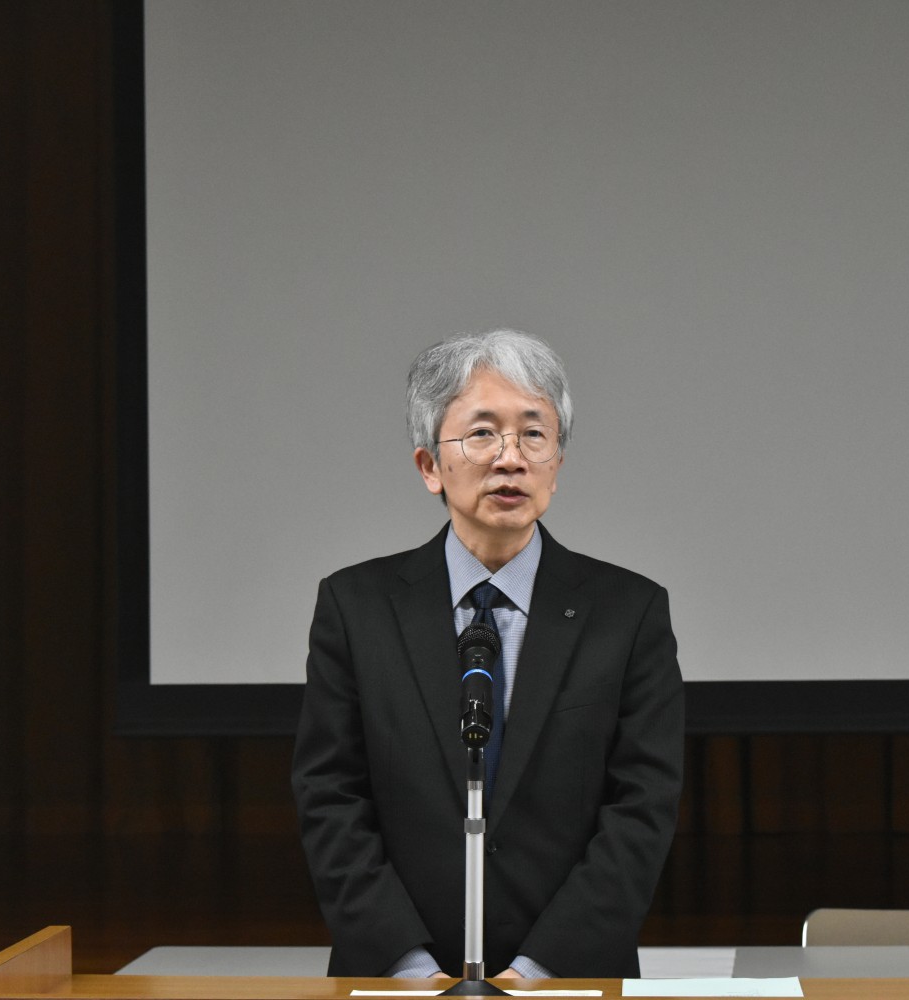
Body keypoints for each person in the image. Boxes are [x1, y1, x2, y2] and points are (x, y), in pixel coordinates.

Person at [291, 329, 684, 980]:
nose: (511, 457)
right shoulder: (356, 607)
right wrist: (415, 973)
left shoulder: (629, 611)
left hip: (572, 980)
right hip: (396, 982)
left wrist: (534, 974)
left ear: (557, 463)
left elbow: (642, 809)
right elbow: (330, 796)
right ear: (428, 466)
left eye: (535, 434)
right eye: (482, 433)